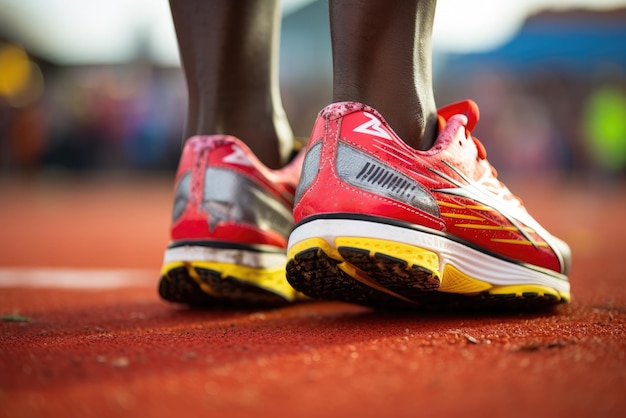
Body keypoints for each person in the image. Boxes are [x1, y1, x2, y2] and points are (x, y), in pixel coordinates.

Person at [158, 0, 571, 309]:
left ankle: (222, 171)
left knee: (231, 120)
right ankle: (393, 141)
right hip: (399, 180)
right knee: (378, 111)